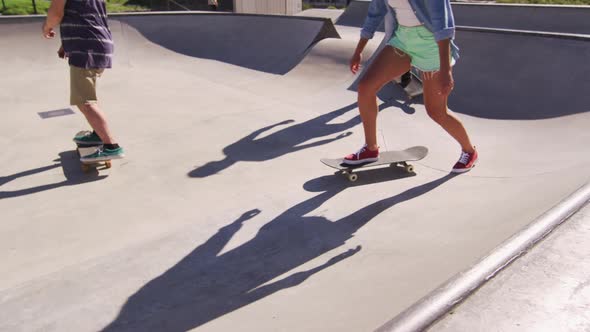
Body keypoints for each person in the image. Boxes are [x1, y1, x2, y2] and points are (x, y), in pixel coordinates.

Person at [344, 0, 477, 173]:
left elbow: (443, 25)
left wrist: (445, 70)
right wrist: (358, 50)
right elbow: (374, 14)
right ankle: (370, 148)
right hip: (403, 40)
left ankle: (469, 151)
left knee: (436, 112)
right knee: (366, 87)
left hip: (431, 46)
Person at [42, 0, 124, 163]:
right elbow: (87, 16)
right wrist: (67, 43)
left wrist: (46, 27)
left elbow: (56, 14)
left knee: (85, 101)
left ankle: (111, 147)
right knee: (88, 96)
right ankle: (97, 134)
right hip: (98, 43)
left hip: (87, 47)